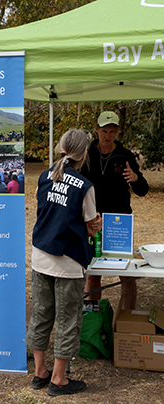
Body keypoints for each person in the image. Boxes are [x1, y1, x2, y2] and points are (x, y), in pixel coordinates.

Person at [26, 129, 102, 396]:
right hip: (68, 261)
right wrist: (95, 228)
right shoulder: (85, 186)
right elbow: (91, 227)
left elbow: (45, 212)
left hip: (40, 256)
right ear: (84, 154)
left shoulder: (44, 177)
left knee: (41, 313)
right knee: (68, 318)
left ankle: (40, 373)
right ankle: (59, 380)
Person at [81, 111, 149, 310]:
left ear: (117, 132)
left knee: (126, 274)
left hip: (119, 222)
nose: (107, 135)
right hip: (93, 221)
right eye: (104, 131)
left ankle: (125, 320)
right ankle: (92, 318)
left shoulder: (125, 156)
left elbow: (143, 190)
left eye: (112, 131)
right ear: (96, 130)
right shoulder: (86, 153)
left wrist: (136, 179)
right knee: (93, 274)